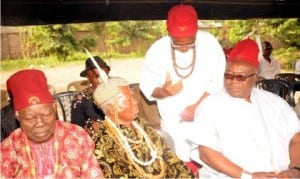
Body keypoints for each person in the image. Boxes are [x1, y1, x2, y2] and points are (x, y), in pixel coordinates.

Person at [188, 39, 300, 178]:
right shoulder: (210, 105)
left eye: (241, 77)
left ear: (255, 78)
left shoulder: (274, 103)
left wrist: (296, 169)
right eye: (228, 75)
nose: (233, 81)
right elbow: (206, 153)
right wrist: (248, 176)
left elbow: (295, 137)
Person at [139, 3, 226, 170]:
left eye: (190, 43)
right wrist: (163, 91)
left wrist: (196, 107)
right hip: (173, 120)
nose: (185, 48)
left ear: (196, 31)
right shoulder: (157, 51)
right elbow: (148, 87)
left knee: (209, 158)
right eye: (178, 44)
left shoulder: (210, 44)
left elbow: (217, 82)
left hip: (206, 114)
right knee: (179, 161)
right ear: (169, 34)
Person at [1, 69, 104, 178]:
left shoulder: (77, 136)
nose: (40, 123)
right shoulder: (9, 149)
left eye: (46, 114)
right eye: (30, 117)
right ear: (17, 116)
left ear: (54, 108)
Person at [91, 76, 194, 178]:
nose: (135, 102)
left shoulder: (141, 125)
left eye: (133, 97)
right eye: (128, 100)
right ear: (112, 109)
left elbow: (170, 158)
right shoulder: (102, 143)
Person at [71, 55, 110, 134]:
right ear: (88, 77)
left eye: (104, 75)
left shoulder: (118, 93)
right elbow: (76, 130)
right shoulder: (80, 100)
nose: (101, 79)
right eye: (96, 76)